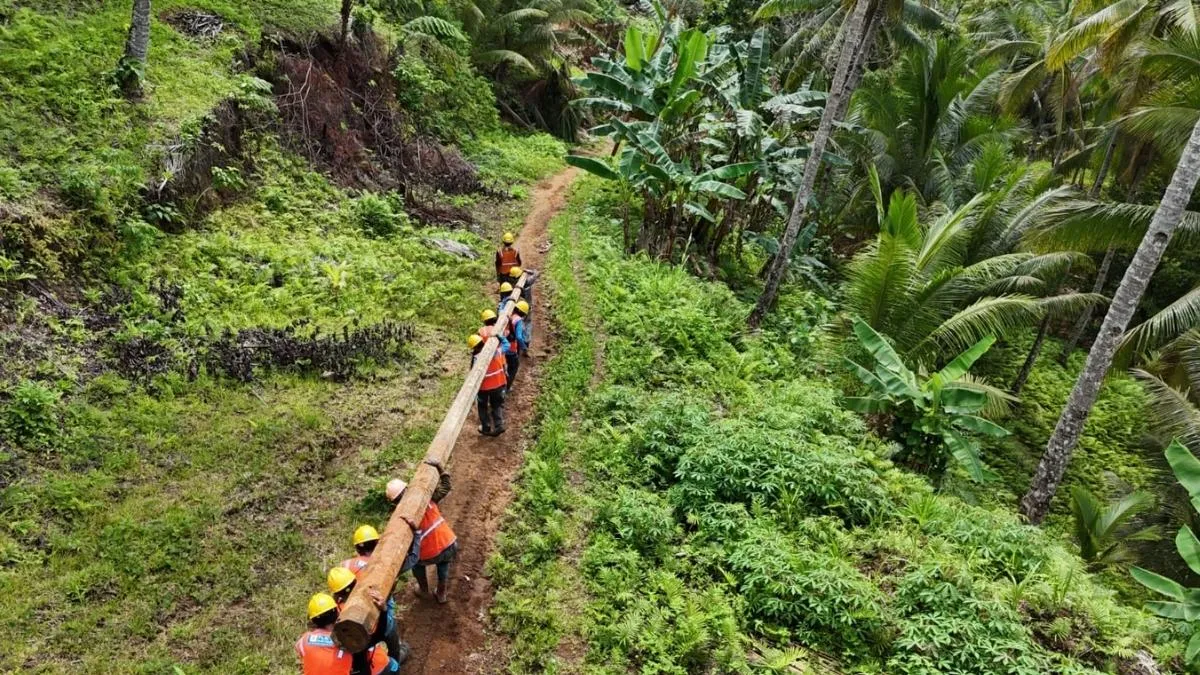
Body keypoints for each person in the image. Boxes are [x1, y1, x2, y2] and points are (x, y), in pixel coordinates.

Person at [387, 468, 458, 604]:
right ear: (407, 488)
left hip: (430, 553)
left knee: (416, 564)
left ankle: (424, 590)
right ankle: (441, 592)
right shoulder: (427, 498)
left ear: (394, 502)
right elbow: (446, 487)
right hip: (449, 542)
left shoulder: (401, 517)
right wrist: (441, 469)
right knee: (444, 563)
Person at [335, 531, 406, 663]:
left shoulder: (345, 565)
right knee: (391, 635)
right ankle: (395, 659)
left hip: (359, 635)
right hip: (380, 621)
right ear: (377, 544)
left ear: (357, 548)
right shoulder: (382, 563)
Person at [296, 592, 398, 675]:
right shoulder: (349, 641)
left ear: (314, 621)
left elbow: (301, 650)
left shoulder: (304, 641)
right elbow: (380, 634)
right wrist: (384, 610)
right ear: (337, 611)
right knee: (393, 666)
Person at [468, 333, 507, 435]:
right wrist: (501, 338)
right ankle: (499, 425)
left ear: (474, 347)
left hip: (484, 388)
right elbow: (506, 346)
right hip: (498, 383)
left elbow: (474, 374)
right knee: (496, 404)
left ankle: (486, 427)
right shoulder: (496, 351)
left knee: (482, 406)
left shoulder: (476, 358)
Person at [505, 300, 531, 389]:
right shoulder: (518, 320)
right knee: (513, 368)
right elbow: (519, 337)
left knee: (506, 367)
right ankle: (507, 387)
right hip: (511, 348)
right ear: (521, 312)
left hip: (503, 347)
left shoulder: (510, 315)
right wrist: (524, 347)